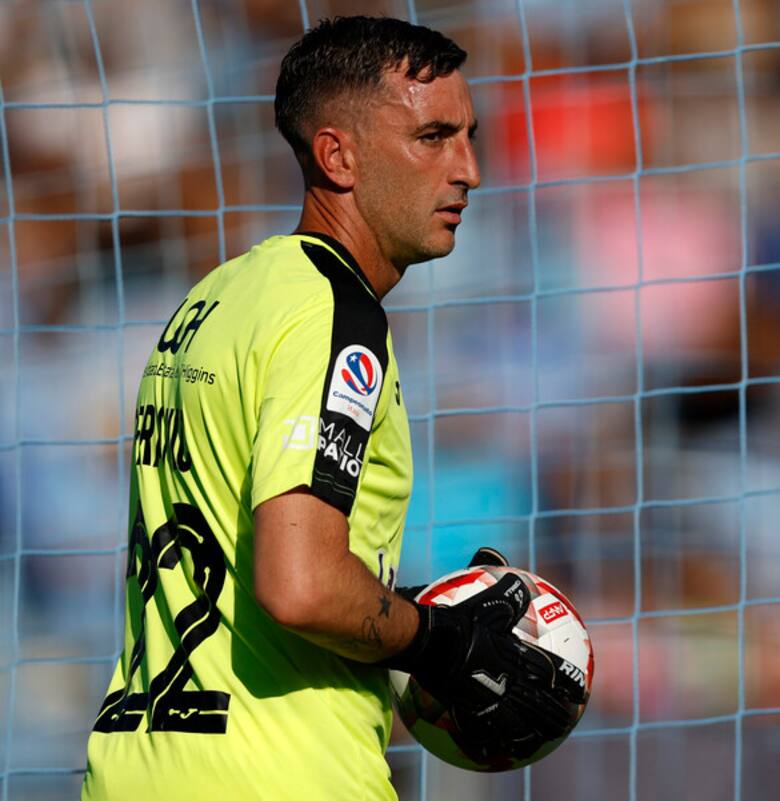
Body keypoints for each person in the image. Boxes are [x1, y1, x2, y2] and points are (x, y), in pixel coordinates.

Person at [80, 16, 583, 801]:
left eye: (469, 136)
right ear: (336, 154)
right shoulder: (335, 316)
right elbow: (302, 583)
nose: (470, 170)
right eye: (433, 136)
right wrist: (444, 639)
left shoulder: (211, 301)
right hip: (282, 775)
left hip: (134, 769)